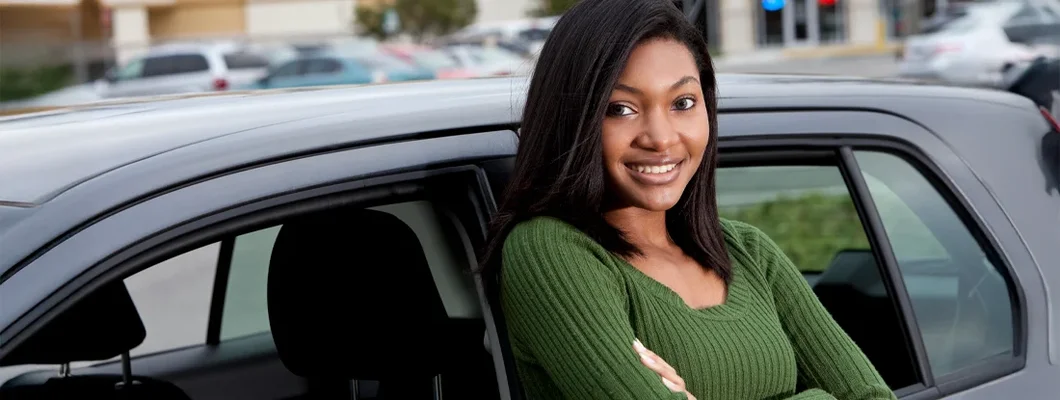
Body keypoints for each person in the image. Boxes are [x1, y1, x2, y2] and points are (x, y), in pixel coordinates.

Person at [477, 0, 897, 399]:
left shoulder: (748, 252)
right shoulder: (548, 251)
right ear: (572, 120)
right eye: (620, 109)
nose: (661, 138)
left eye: (682, 103)